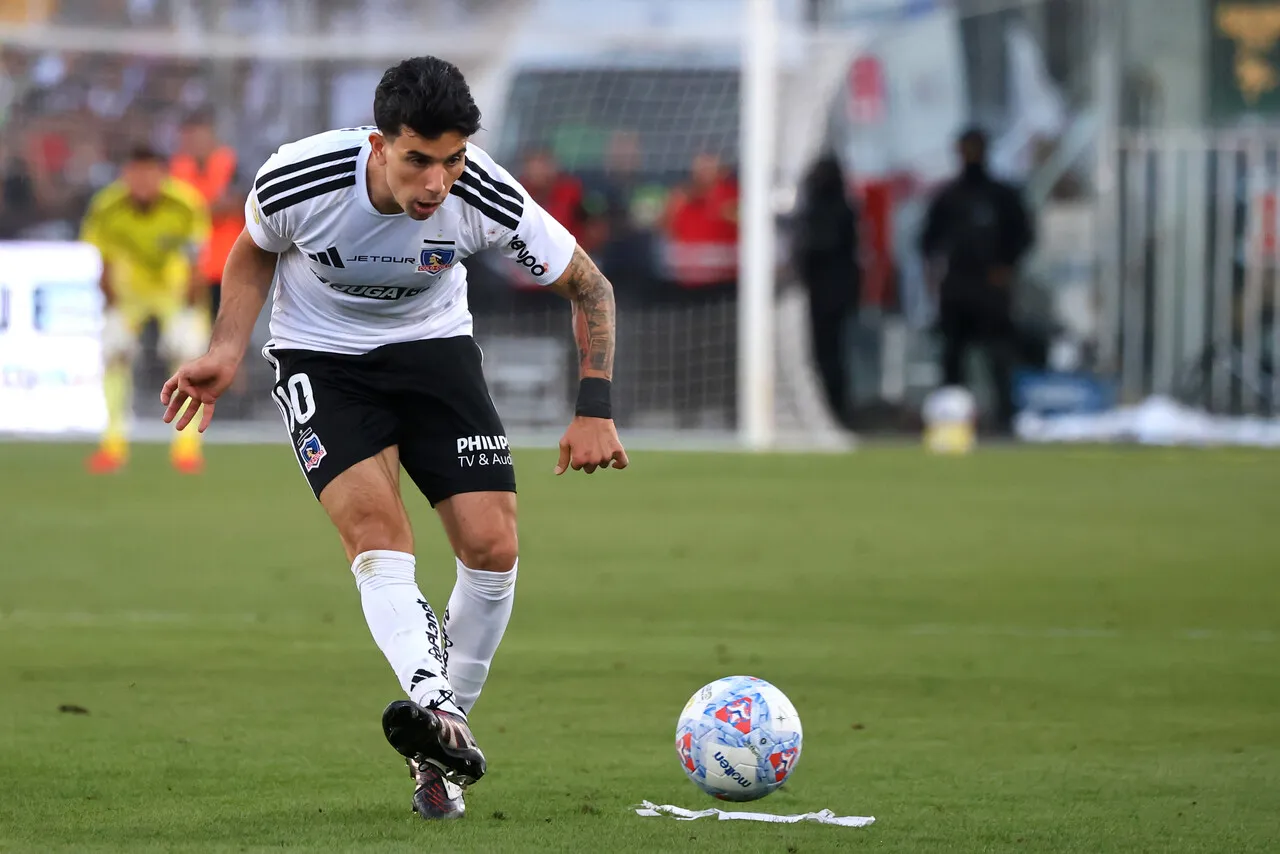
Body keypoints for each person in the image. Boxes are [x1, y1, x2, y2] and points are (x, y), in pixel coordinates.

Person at [159, 56, 628, 821]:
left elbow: (590, 285)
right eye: (418, 160)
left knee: (492, 545)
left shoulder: (483, 193)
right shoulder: (298, 178)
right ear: (378, 144)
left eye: (451, 161)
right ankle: (436, 703)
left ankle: (439, 746)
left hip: (434, 352)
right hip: (322, 359)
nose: (436, 183)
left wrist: (595, 405)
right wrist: (226, 347)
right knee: (378, 532)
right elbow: (253, 248)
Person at [81, 145, 210, 474]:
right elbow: (104, 262)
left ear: (161, 174)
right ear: (125, 174)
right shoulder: (107, 206)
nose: (141, 181)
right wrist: (109, 298)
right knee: (113, 353)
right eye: (134, 173)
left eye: (148, 173)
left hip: (174, 289)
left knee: (189, 359)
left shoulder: (185, 203)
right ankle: (113, 444)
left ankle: (186, 448)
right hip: (129, 292)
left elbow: (198, 259)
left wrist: (191, 302)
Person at [919, 127, 1034, 432]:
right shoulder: (948, 197)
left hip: (990, 287)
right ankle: (949, 419)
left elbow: (1023, 236)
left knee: (997, 354)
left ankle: (1006, 418)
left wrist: (1006, 267)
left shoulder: (1001, 196)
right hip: (957, 286)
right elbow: (929, 242)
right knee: (952, 357)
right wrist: (933, 276)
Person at [793, 152, 860, 429]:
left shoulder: (831, 211)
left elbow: (824, 247)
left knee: (828, 352)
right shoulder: (838, 209)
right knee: (826, 352)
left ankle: (833, 407)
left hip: (828, 293)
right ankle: (831, 405)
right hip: (830, 291)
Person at [170, 110, 245, 325]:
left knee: (227, 332)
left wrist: (198, 207)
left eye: (199, 135)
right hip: (190, 268)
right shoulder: (178, 168)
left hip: (227, 264)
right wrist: (212, 205)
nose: (195, 142)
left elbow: (238, 204)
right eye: (189, 136)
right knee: (191, 334)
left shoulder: (231, 163)